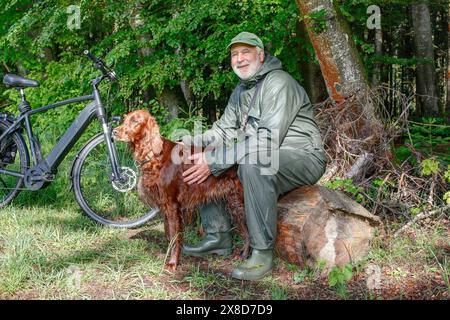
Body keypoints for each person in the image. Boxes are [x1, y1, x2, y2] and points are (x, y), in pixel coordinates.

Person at [181, 32, 326, 281]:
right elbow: (223, 130)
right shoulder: (241, 91)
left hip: (302, 155)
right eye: (234, 55)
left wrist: (214, 161)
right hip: (266, 153)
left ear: (260, 55)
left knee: (253, 163)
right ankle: (218, 236)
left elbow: (267, 140)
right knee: (201, 156)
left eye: (245, 52)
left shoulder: (278, 83)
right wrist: (190, 145)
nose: (239, 59)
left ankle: (262, 253)